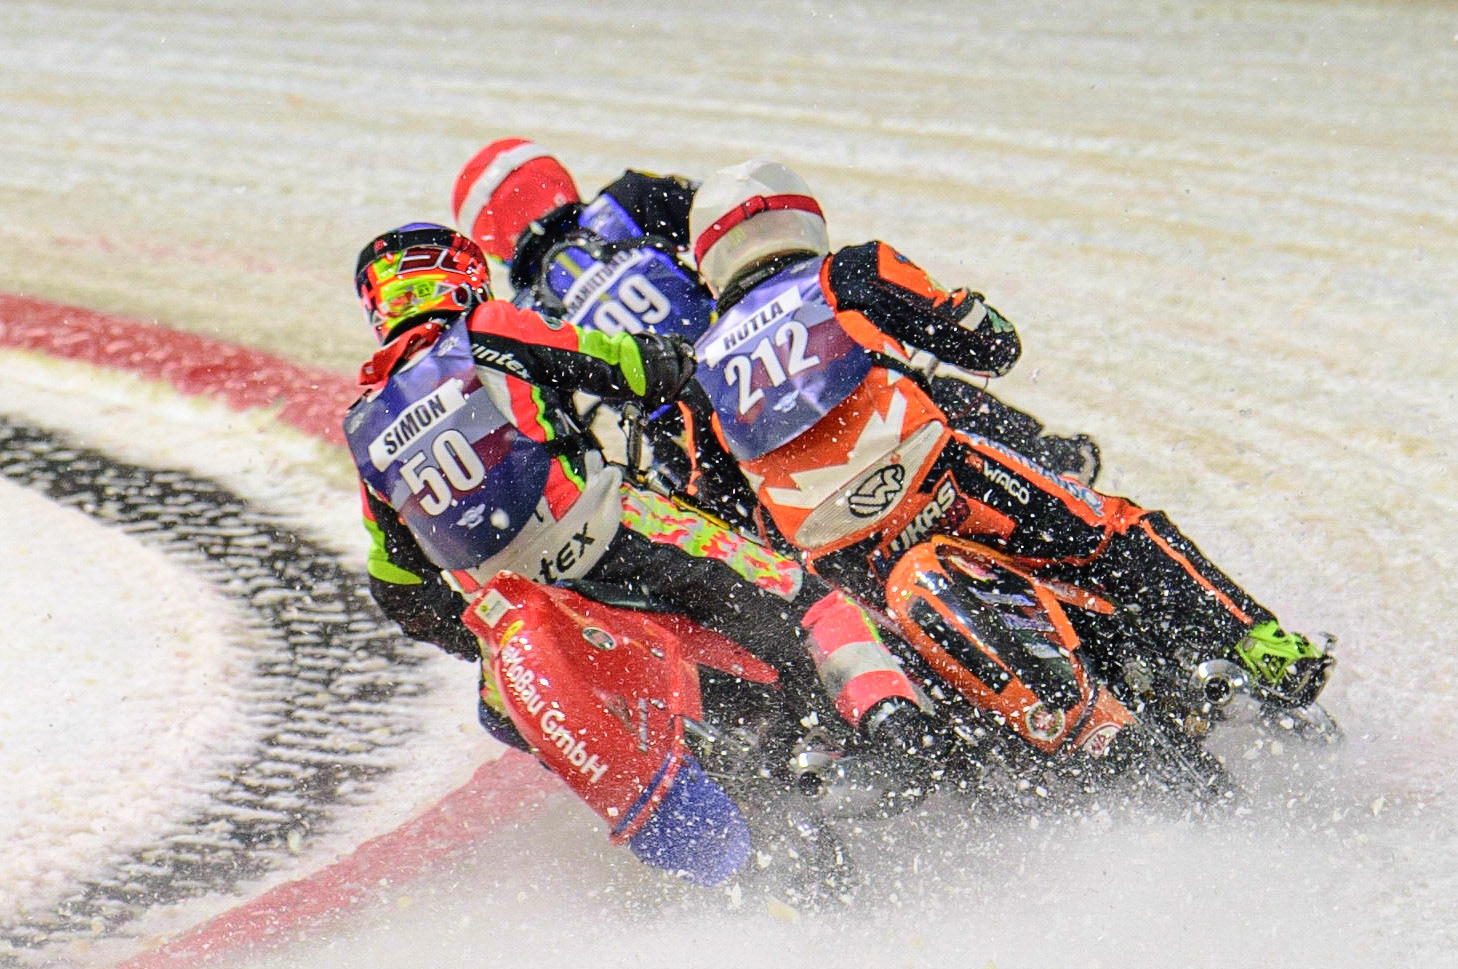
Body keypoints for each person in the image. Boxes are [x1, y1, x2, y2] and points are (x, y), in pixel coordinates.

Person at [342, 222, 949, 881]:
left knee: (504, 714)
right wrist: (673, 365)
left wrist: (480, 632)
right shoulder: (488, 328)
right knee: (808, 600)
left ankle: (719, 838)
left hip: (524, 634)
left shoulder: (364, 428)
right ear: (456, 277)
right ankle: (898, 727)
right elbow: (621, 362)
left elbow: (399, 587)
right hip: (611, 539)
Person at [684, 159, 1330, 708]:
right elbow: (991, 345)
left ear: (711, 261)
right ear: (804, 222)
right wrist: (969, 311)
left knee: (904, 675)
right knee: (1115, 530)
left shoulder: (700, 369)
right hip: (943, 481)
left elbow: (719, 504)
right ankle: (1263, 645)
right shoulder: (850, 272)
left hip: (847, 557)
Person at [451, 137, 1102, 488]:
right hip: (764, 347)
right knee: (897, 387)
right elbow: (729, 237)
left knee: (756, 541)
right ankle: (1043, 457)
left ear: (490, 235)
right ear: (552, 177)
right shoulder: (627, 199)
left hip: (689, 428)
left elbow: (560, 424)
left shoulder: (522, 313)